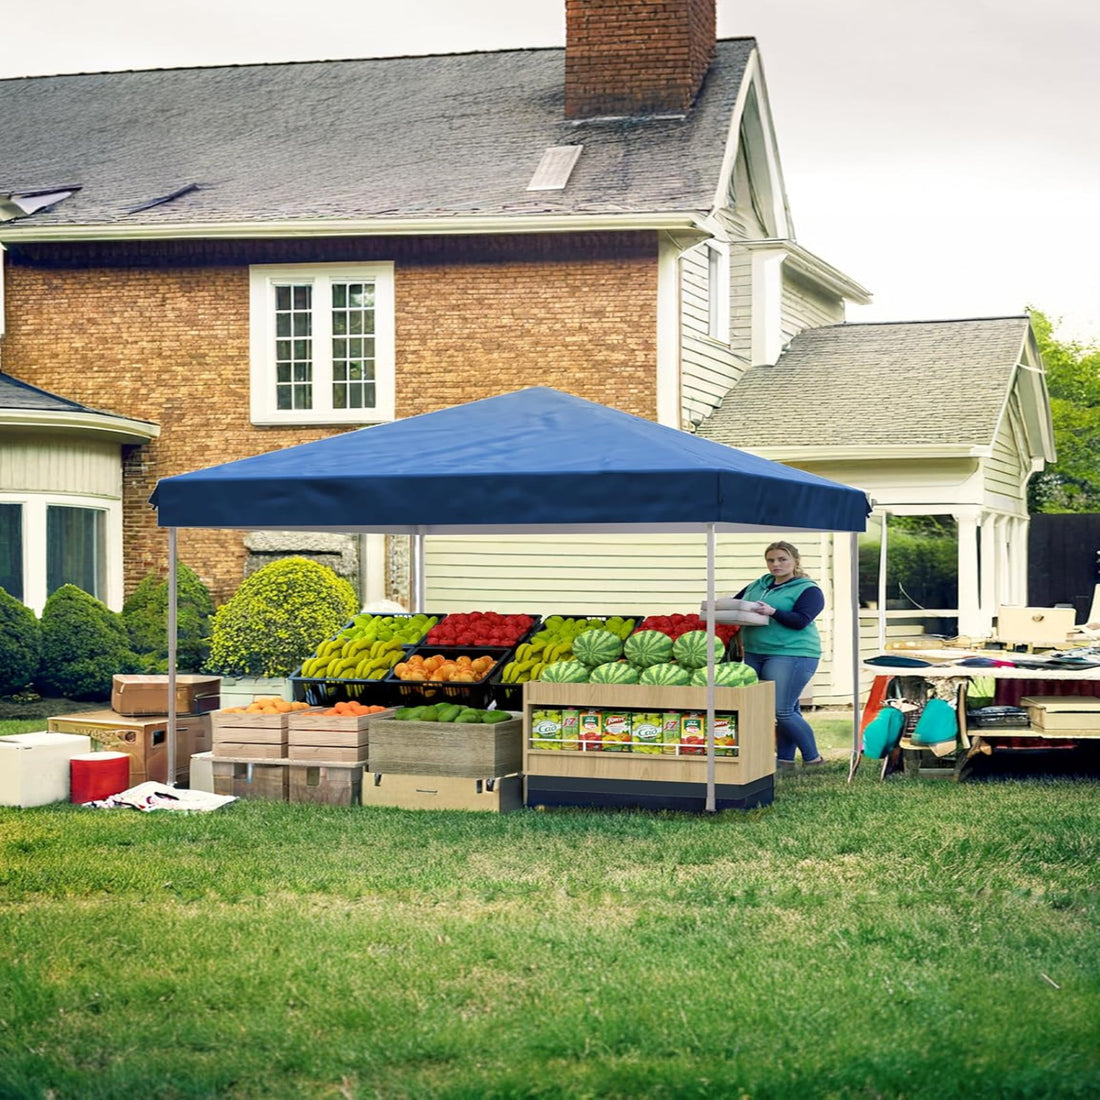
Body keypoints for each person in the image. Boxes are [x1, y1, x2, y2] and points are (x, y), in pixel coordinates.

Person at [732, 541, 825, 767]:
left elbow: (801, 620)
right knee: (788, 708)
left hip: (792, 654)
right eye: (771, 560)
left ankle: (814, 759)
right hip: (755, 651)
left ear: (795, 561)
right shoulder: (758, 585)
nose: (776, 564)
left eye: (782, 559)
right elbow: (736, 606)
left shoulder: (808, 589)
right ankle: (784, 760)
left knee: (781, 710)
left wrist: (772, 612)